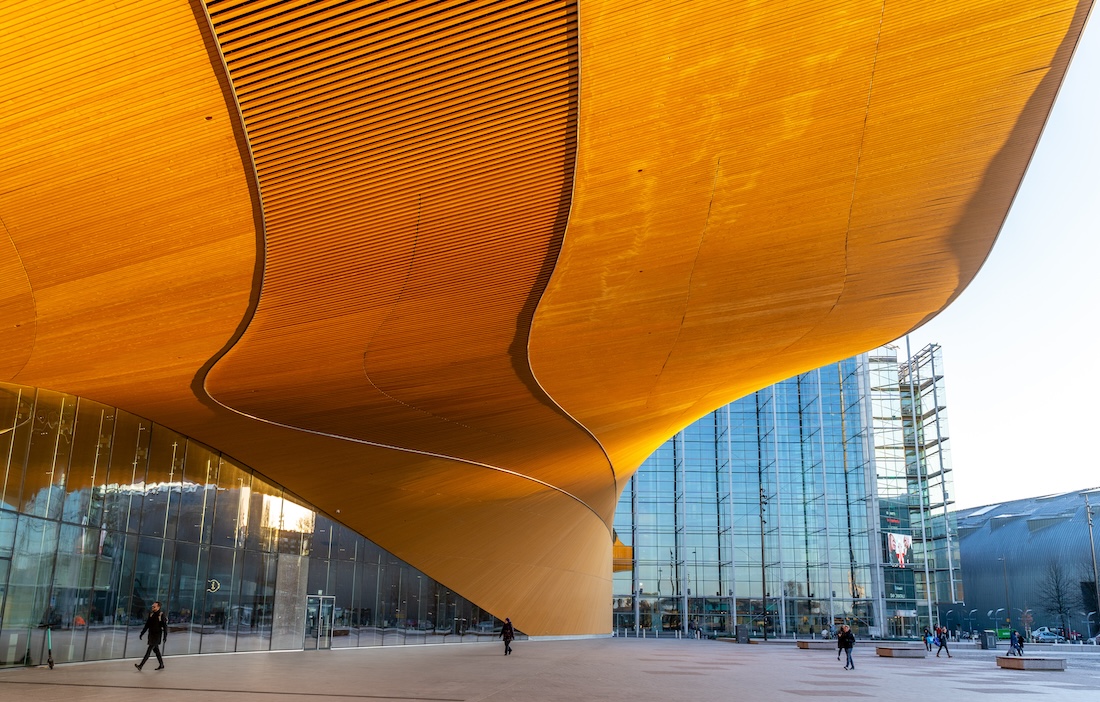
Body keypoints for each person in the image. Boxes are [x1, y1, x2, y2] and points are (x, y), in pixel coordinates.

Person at [135, 601, 167, 671]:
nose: (152, 607)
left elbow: (165, 626)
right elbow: (147, 625)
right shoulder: (151, 614)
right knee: (156, 651)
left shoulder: (161, 615)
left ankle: (141, 665)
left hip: (157, 636)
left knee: (149, 650)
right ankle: (161, 664)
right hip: (151, 635)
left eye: (154, 607)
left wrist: (165, 636)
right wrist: (142, 633)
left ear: (158, 607)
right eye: (152, 606)